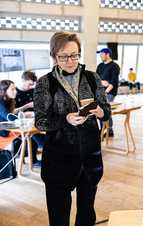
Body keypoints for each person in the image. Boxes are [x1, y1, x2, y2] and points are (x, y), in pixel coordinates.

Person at [34, 32, 111, 226]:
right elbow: (41, 122)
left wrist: (101, 112)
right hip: (59, 159)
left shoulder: (92, 78)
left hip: (89, 157)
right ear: (54, 55)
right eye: (63, 56)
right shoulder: (45, 83)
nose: (70, 61)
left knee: (86, 213)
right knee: (59, 215)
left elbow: (107, 111)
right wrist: (65, 118)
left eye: (75, 55)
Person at [0, 80, 41, 166]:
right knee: (32, 133)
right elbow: (9, 117)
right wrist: (26, 116)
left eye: (15, 89)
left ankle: (34, 160)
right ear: (4, 91)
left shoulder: (9, 100)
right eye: (12, 89)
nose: (15, 91)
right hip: (3, 132)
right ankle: (44, 150)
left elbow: (12, 112)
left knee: (31, 132)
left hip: (10, 128)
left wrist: (26, 109)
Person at [15, 70, 45, 161]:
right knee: (38, 138)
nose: (31, 87)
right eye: (29, 84)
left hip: (35, 120)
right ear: (23, 80)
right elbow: (12, 112)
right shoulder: (14, 92)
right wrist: (27, 107)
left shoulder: (32, 91)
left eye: (32, 84)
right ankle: (34, 160)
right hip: (22, 123)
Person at [96, 48, 120, 136]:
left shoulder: (114, 66)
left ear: (107, 54)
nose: (100, 56)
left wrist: (105, 91)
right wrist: (103, 82)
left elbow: (113, 82)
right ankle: (104, 129)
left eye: (102, 54)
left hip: (109, 92)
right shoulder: (100, 66)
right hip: (100, 91)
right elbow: (96, 79)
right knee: (99, 110)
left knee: (106, 110)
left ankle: (108, 130)